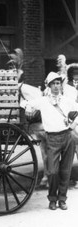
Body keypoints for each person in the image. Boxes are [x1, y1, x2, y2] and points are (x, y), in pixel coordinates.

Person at [24, 72, 77, 211]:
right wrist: (28, 108)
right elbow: (27, 103)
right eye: (53, 84)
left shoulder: (66, 100)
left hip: (67, 137)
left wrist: (73, 125)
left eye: (58, 83)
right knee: (52, 171)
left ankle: (62, 199)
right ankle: (52, 198)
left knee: (65, 171)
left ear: (61, 85)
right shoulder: (43, 101)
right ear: (48, 86)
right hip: (52, 139)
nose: (55, 86)